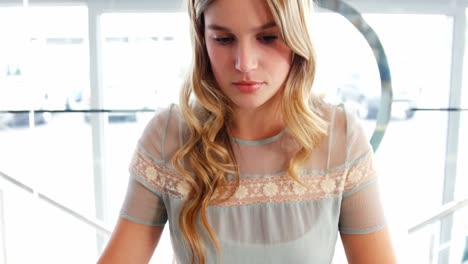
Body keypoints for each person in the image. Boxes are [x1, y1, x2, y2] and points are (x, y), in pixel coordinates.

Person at [98, 0, 397, 263]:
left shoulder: (339, 136)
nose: (244, 63)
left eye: (268, 37)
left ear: (298, 36)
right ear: (202, 39)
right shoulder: (168, 136)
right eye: (224, 39)